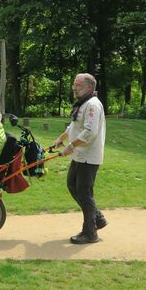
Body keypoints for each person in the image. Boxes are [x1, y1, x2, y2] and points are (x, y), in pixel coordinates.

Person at [53, 73, 107, 244]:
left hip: (88, 157)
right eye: (74, 85)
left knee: (84, 193)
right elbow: (75, 125)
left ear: (89, 87)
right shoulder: (83, 104)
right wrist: (62, 138)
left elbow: (90, 131)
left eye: (78, 85)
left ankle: (90, 233)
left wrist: (72, 145)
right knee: (72, 186)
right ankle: (96, 217)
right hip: (80, 155)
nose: (74, 88)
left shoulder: (92, 105)